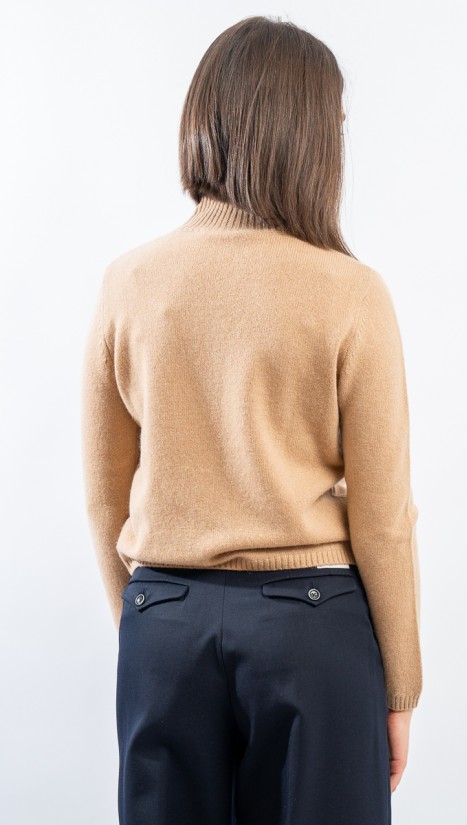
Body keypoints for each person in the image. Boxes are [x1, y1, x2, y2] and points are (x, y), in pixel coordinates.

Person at [80, 14, 423, 825]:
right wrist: (401, 685)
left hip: (164, 623)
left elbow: (104, 498)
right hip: (313, 632)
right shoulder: (350, 291)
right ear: (309, 140)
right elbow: (383, 519)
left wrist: (148, 619)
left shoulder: (128, 283)